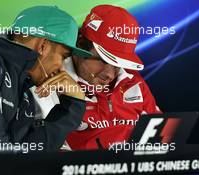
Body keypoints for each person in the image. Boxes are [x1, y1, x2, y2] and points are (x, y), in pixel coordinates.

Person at [0, 6, 92, 155]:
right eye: (63, 56)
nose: (61, 68)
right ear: (43, 46)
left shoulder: (25, 96)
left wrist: (72, 105)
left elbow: (29, 157)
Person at [65, 5, 162, 150]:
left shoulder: (133, 80)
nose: (110, 74)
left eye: (119, 63)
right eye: (103, 60)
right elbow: (45, 157)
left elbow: (161, 139)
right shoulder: (50, 81)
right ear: (80, 44)